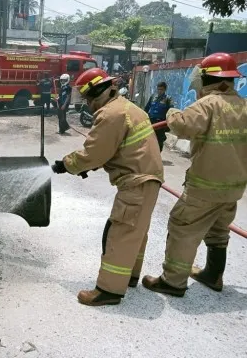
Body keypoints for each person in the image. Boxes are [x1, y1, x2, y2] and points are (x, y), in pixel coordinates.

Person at [51, 68, 164, 307]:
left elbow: (93, 153)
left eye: (88, 97)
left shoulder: (111, 114)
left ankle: (108, 290)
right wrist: (92, 164)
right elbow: (118, 150)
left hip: (136, 181)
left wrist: (67, 165)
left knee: (119, 233)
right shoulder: (126, 107)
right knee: (135, 231)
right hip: (147, 180)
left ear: (97, 92)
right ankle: (129, 277)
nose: (88, 103)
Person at [142, 53, 247, 297]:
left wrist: (170, 113)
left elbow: (182, 126)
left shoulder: (209, 104)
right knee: (218, 229)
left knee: (182, 226)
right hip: (234, 187)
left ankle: (172, 281)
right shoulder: (243, 106)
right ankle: (213, 274)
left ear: (207, 78)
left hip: (205, 186)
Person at [145, 82, 173, 152]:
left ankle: (158, 156)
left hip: (161, 123)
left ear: (165, 90)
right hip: (151, 121)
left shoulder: (168, 99)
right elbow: (147, 108)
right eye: (158, 89)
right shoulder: (153, 97)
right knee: (149, 139)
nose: (159, 91)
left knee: (159, 140)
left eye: (161, 89)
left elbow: (171, 111)